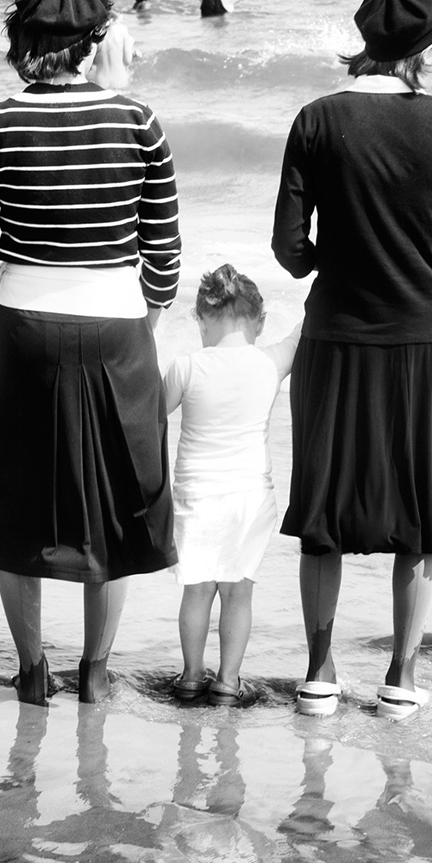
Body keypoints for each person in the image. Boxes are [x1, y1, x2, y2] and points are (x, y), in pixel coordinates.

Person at [0, 0, 182, 706]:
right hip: (116, 328)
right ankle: (97, 669)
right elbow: (164, 253)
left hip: (24, 329)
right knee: (112, 504)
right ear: (94, 40)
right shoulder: (140, 121)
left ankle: (29, 669)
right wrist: (145, 319)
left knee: (13, 502)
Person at [272, 0, 432, 723]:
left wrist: (343, 256)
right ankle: (399, 677)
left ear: (367, 44)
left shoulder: (315, 120)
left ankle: (320, 675)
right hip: (426, 341)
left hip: (335, 337)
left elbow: (291, 254)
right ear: (427, 49)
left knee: (325, 507)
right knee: (423, 518)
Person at [162, 265, 299, 705]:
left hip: (196, 496)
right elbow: (305, 330)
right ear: (259, 322)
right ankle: (227, 680)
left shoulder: (186, 367)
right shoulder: (270, 361)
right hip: (250, 499)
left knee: (197, 589)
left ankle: (190, 675)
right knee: (238, 592)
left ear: (202, 320)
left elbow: (146, 420)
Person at [84, 10, 137, 91]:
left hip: (101, 82)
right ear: (114, 19)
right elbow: (127, 61)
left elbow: (91, 63)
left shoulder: (96, 34)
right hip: (120, 80)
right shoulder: (122, 29)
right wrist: (130, 45)